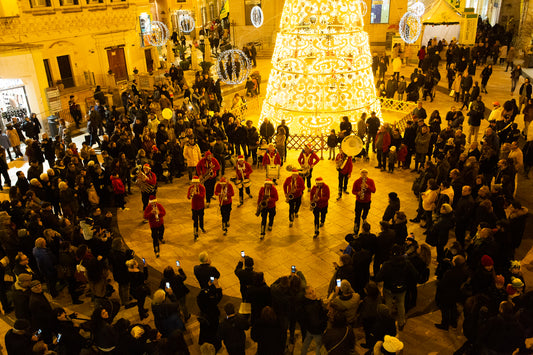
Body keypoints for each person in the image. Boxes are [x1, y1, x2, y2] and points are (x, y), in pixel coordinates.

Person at [375, 244, 418, 331]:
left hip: (389, 289)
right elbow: (415, 274)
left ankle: (387, 323)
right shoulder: (407, 263)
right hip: (402, 288)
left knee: (388, 305)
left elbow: (378, 278)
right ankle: (401, 322)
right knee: (401, 304)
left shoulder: (387, 264)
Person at [299, 286, 327, 355]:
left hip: (309, 329)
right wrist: (325, 318)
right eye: (310, 293)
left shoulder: (306, 303)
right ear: (306, 296)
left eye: (313, 291)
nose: (313, 294)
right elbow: (316, 322)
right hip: (317, 331)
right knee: (318, 347)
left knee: (306, 342)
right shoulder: (313, 307)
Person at [352, 168, 376, 233]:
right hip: (359, 201)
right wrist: (357, 193)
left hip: (367, 201)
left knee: (366, 212)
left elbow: (374, 190)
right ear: (360, 174)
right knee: (357, 215)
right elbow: (353, 191)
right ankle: (356, 228)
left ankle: (364, 219)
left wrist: (368, 186)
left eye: (365, 172)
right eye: (362, 172)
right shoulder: (356, 181)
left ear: (367, 173)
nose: (364, 174)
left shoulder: (371, 181)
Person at [187, 176, 206, 241]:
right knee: (195, 220)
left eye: (196, 183)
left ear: (198, 182)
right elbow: (188, 197)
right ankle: (195, 232)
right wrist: (191, 194)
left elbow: (203, 196)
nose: (195, 184)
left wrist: (197, 194)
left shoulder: (202, 188)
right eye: (193, 183)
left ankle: (201, 227)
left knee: (201, 218)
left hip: (201, 206)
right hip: (194, 207)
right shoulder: (190, 188)